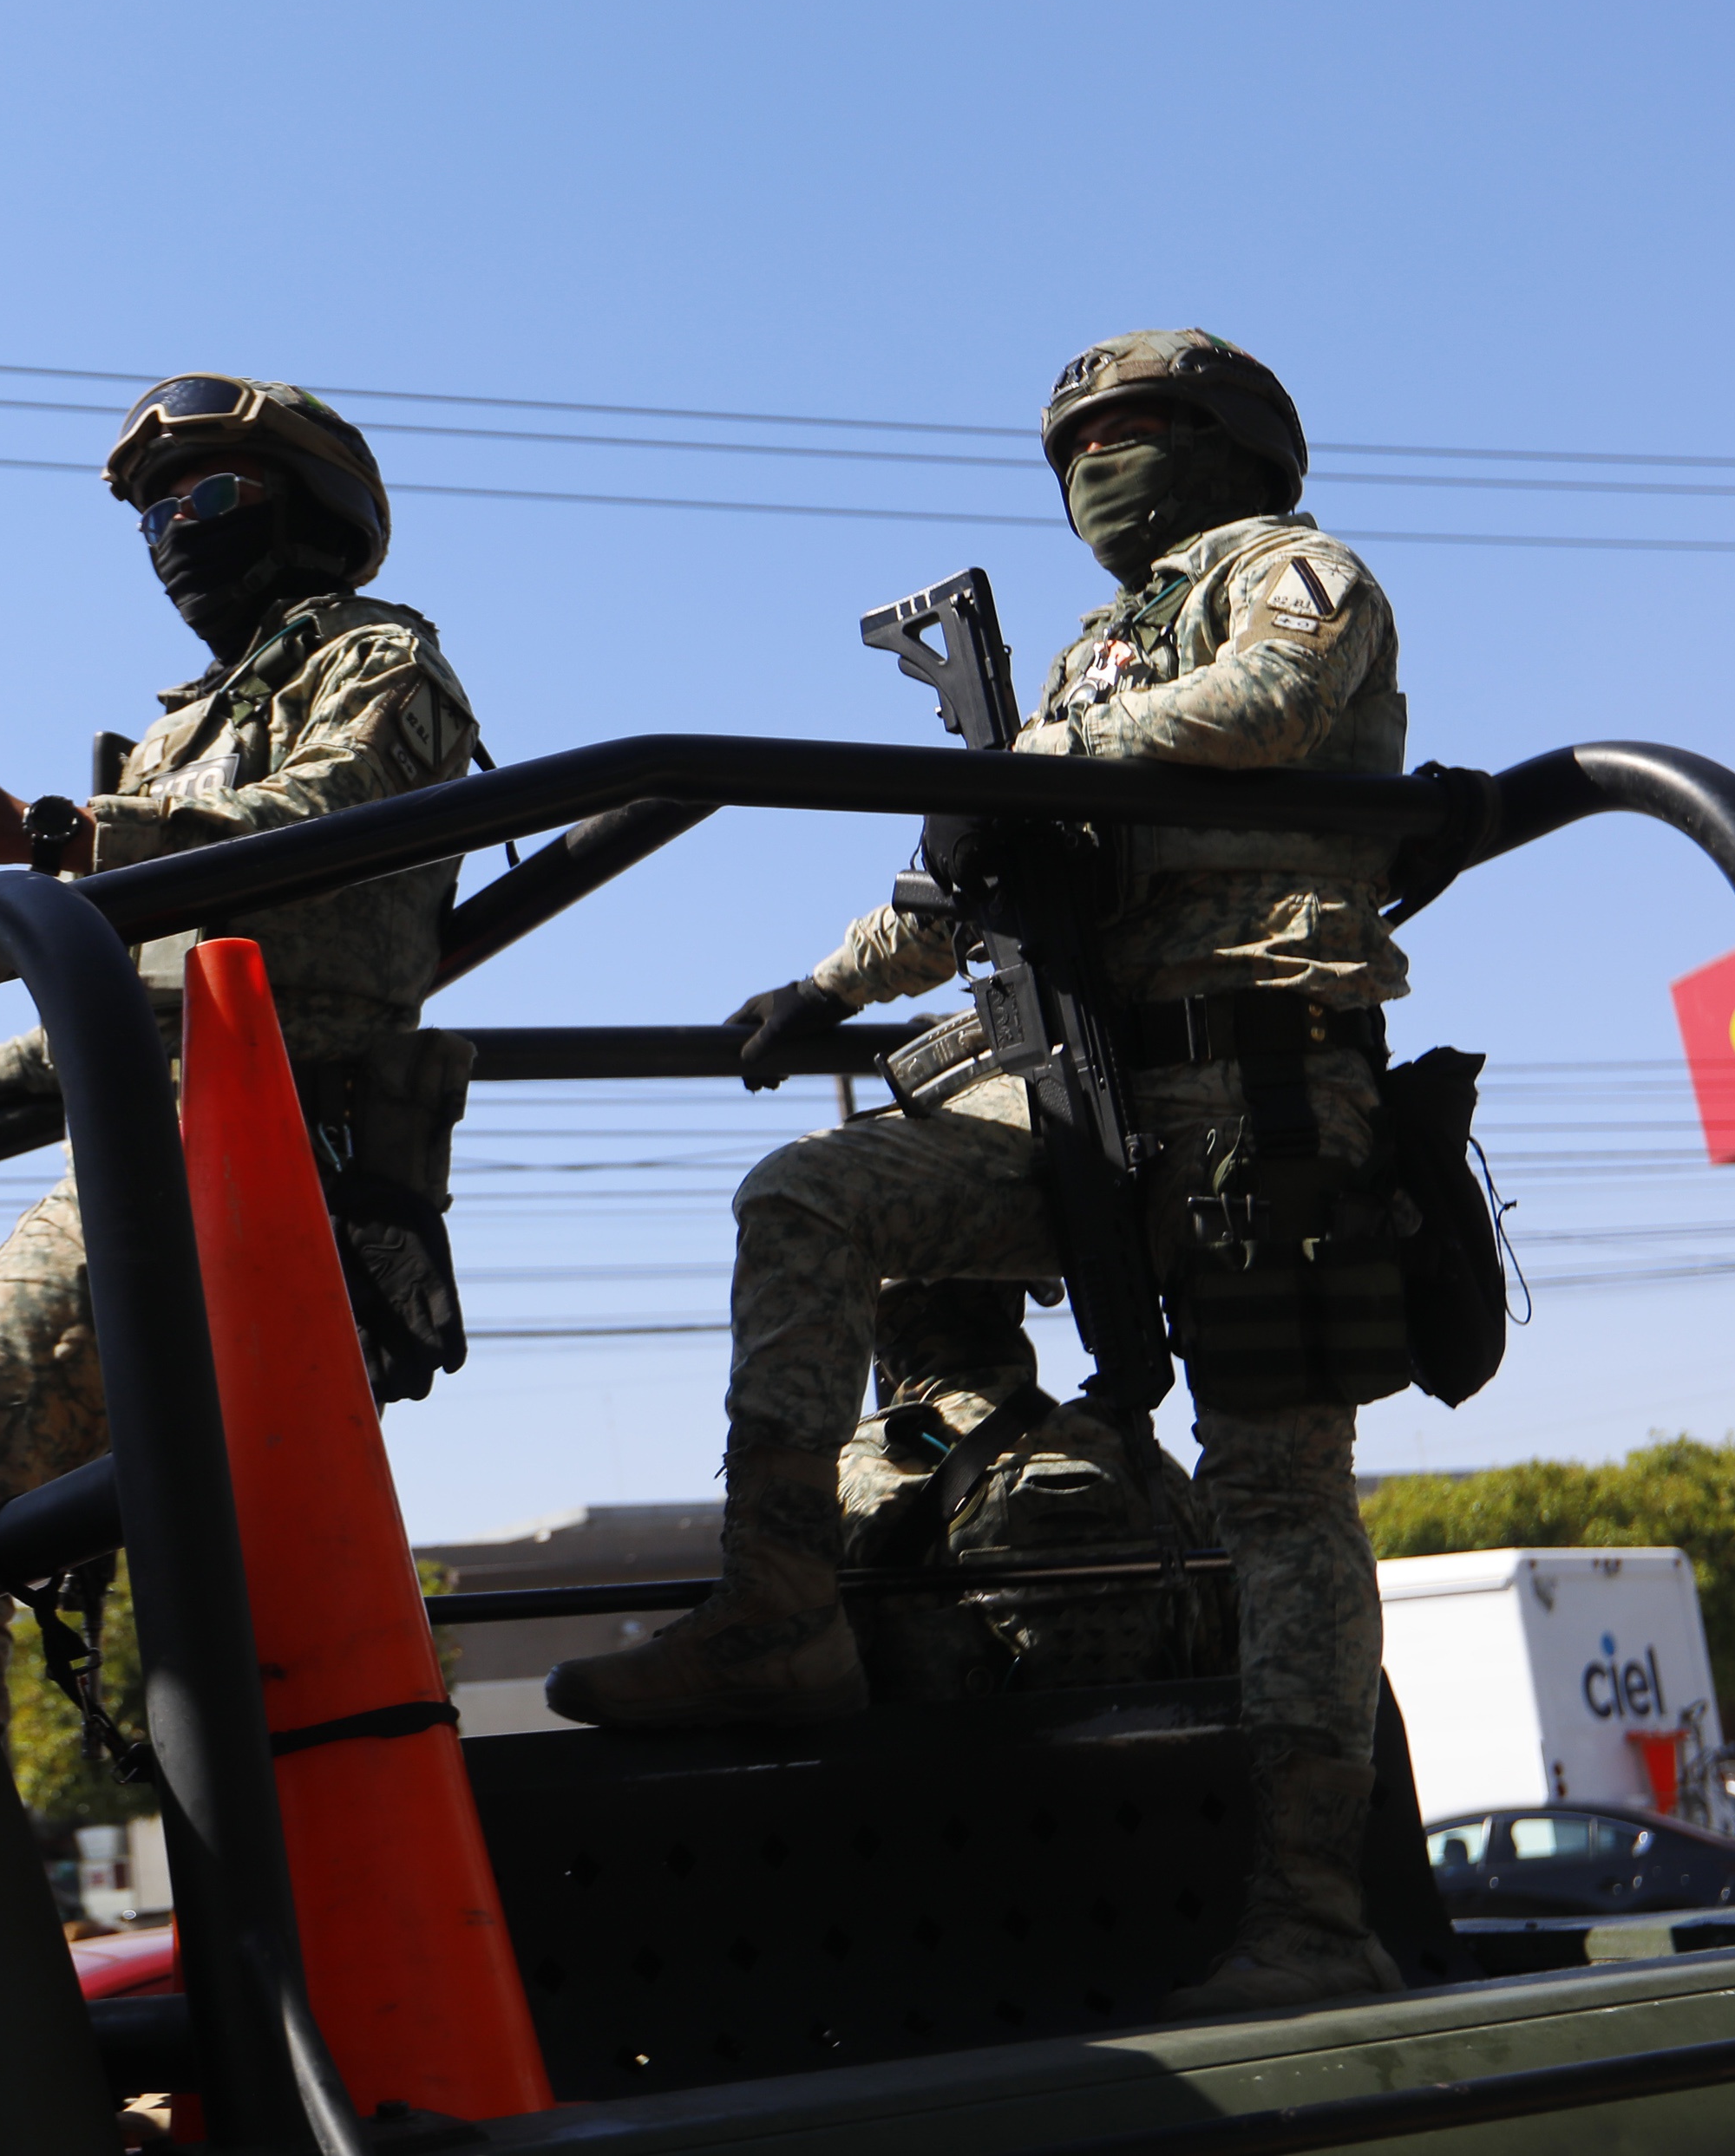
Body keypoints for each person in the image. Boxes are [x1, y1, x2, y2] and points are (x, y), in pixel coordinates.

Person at [544, 330, 1422, 2015]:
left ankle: (1309, 1918)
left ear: (1234, 445)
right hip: (1077, 1091)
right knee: (807, 1194)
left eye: (1140, 426)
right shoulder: (1092, 651)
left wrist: (1026, 767)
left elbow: (1272, 704)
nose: (1102, 458)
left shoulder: (1285, 567)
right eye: (1075, 439)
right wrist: (827, 982)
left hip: (1257, 1090)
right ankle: (777, 1610)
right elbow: (966, 873)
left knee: (1274, 1500)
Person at [0, 374, 483, 1725]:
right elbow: (143, 984)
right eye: (150, 516)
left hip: (267, 1149)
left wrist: (46, 834)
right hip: (161, 1141)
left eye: (205, 496)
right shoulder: (173, 730)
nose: (174, 533)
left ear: (311, 511)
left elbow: (324, 827)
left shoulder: (375, 660)